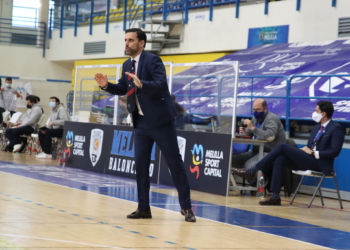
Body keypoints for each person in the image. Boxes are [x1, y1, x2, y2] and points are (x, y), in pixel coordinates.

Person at [94, 28, 196, 222]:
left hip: (160, 122)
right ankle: (143, 208)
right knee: (140, 166)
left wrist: (142, 84)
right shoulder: (126, 63)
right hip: (140, 123)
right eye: (125, 40)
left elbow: (161, 84)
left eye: (131, 40)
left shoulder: (153, 60)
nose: (126, 44)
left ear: (141, 43)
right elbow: (123, 88)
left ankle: (187, 208)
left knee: (175, 165)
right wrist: (106, 85)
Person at [232, 101, 345, 206]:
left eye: (317, 111)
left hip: (319, 163)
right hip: (308, 158)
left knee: (282, 146)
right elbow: (311, 146)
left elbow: (334, 152)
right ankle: (275, 197)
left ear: (324, 113)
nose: (314, 113)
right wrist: (306, 150)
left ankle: (254, 169)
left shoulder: (336, 128)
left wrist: (314, 152)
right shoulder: (316, 128)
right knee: (280, 158)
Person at [232, 98, 286, 170]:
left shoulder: (271, 119)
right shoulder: (255, 118)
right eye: (254, 110)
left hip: (270, 152)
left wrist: (252, 128)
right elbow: (249, 132)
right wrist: (244, 132)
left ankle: (258, 180)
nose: (255, 112)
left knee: (250, 167)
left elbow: (270, 136)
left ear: (265, 108)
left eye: (258, 109)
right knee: (232, 160)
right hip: (257, 151)